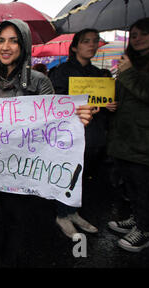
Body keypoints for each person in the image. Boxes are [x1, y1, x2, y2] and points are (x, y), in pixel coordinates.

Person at [0, 19, 93, 267]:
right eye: (1, 40)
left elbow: (54, 121)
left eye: (14, 40)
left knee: (16, 225)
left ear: (23, 45)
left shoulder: (38, 81)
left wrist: (76, 118)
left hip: (22, 172)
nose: (6, 46)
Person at [49, 28, 110, 239]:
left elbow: (101, 105)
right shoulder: (61, 72)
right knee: (67, 174)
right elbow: (54, 104)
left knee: (81, 176)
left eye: (95, 41)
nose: (92, 45)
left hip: (92, 137)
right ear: (75, 46)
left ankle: (72, 211)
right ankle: (62, 214)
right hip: (69, 135)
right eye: (86, 41)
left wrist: (108, 105)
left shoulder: (99, 74)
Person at [106, 17, 149, 253]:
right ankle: (138, 219)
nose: (137, 39)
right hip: (125, 136)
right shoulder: (130, 63)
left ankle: (144, 231)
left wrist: (128, 74)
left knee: (144, 186)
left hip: (146, 140)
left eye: (144, 33)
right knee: (133, 186)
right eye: (134, 35)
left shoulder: (133, 68)